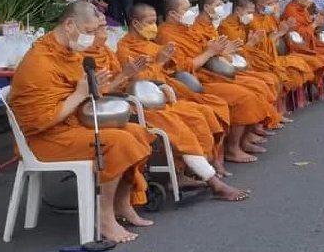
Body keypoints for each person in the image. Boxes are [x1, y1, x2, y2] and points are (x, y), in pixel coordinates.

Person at [8, 1, 154, 243]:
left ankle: (122, 204)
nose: (92, 37)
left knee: (137, 132)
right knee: (118, 142)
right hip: (45, 139)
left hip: (70, 126)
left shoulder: (67, 53)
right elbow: (42, 121)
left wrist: (93, 86)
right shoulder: (40, 62)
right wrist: (80, 93)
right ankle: (104, 216)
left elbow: (78, 92)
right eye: (88, 31)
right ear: (69, 25)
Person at [91, 12, 247, 202]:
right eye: (99, 27)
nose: (104, 31)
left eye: (103, 26)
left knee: (199, 113)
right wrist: (149, 67)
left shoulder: (107, 51)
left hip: (157, 97)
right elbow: (134, 84)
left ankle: (200, 166)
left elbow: (169, 72)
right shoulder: (123, 49)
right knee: (178, 124)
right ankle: (213, 181)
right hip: (131, 104)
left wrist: (161, 63)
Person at [158, 0, 277, 164]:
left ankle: (244, 138)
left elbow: (206, 52)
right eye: (186, 9)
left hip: (212, 73)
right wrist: (212, 52)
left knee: (258, 86)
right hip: (194, 82)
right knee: (245, 96)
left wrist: (219, 51)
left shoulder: (187, 29)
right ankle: (232, 149)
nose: (191, 11)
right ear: (172, 14)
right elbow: (183, 67)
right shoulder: (167, 35)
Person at [119, 3, 231, 174]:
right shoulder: (125, 48)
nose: (154, 26)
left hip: (170, 92)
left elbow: (174, 69)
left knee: (206, 111)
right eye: (150, 22)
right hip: (149, 102)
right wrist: (161, 62)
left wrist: (164, 61)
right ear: (135, 24)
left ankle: (210, 161)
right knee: (192, 118)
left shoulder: (153, 45)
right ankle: (205, 170)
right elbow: (139, 83)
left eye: (154, 21)